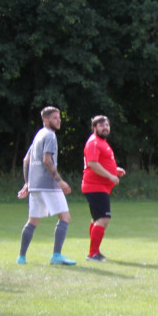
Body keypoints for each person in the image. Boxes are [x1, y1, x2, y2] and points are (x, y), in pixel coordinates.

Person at [17, 106, 75, 265]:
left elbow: (26, 160)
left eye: (59, 117)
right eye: (55, 118)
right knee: (65, 217)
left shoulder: (38, 135)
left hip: (35, 186)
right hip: (49, 185)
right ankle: (56, 256)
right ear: (46, 120)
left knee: (32, 221)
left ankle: (21, 257)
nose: (59, 120)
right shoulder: (49, 136)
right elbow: (47, 160)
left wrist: (28, 183)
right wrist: (60, 181)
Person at [82, 115, 125, 263]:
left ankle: (95, 252)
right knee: (103, 219)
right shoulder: (94, 142)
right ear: (94, 128)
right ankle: (93, 254)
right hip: (95, 186)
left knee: (97, 219)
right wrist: (110, 176)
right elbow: (92, 163)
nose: (105, 127)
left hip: (99, 187)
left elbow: (101, 162)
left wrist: (115, 170)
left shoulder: (101, 142)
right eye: (101, 125)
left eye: (106, 125)